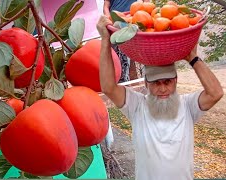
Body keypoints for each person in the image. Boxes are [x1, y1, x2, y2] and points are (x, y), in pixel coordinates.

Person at [96, 15, 224, 180]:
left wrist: (193, 59)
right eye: (156, 83)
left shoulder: (188, 105)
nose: (163, 89)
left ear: (176, 81)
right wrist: (105, 40)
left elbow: (215, 93)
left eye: (168, 82)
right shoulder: (137, 106)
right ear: (147, 84)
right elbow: (108, 87)